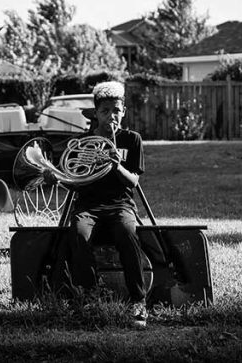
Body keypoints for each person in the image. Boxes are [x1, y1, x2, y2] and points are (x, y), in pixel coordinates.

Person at [67, 80, 148, 328]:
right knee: (80, 234)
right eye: (105, 111)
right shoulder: (84, 141)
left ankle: (138, 301)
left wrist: (116, 164)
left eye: (116, 111)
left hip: (120, 205)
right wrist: (58, 177)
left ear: (123, 111)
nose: (111, 116)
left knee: (127, 233)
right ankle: (91, 298)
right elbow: (75, 181)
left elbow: (133, 181)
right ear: (96, 114)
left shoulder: (131, 140)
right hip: (88, 206)